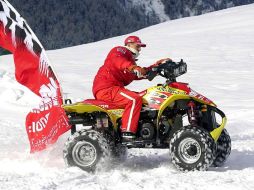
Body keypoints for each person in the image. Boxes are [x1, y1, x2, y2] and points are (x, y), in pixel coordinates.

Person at [92, 35, 169, 142]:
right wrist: (133, 67)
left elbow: (140, 73)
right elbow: (118, 61)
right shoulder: (120, 51)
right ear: (129, 44)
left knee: (145, 97)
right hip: (106, 88)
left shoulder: (130, 63)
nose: (139, 49)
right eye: (138, 46)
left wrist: (157, 66)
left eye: (140, 47)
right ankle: (127, 131)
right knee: (134, 99)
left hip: (114, 89)